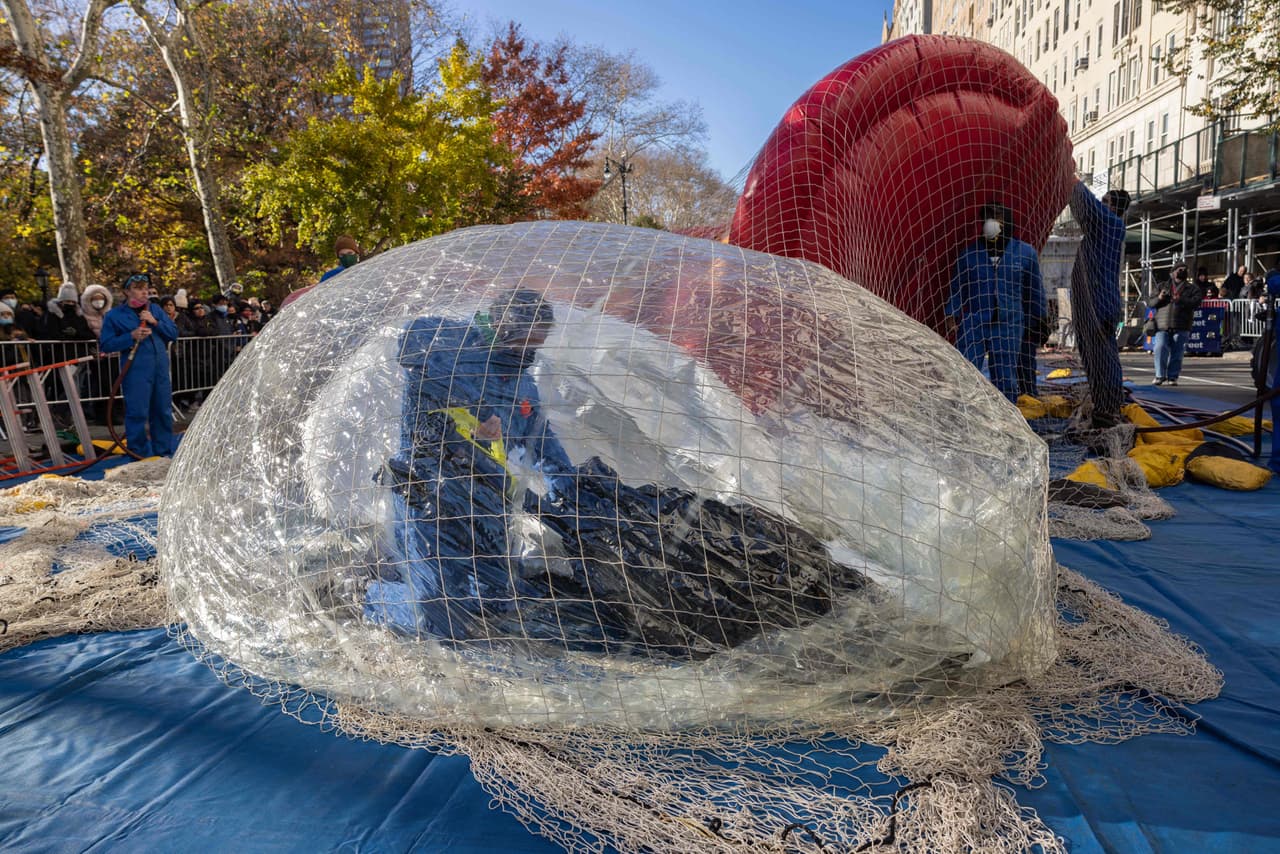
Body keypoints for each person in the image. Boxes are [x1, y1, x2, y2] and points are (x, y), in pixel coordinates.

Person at [365, 288, 866, 657]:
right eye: (524, 339)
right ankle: (392, 621)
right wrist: (471, 396)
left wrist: (573, 493)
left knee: (498, 597)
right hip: (430, 497)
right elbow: (409, 345)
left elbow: (540, 442)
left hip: (487, 503)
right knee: (441, 602)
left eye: (539, 341)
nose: (532, 349)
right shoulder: (448, 340)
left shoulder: (520, 379)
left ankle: (479, 656)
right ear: (501, 325)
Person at [945, 202, 1045, 401]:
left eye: (998, 216)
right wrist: (951, 315)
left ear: (1007, 221)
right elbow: (957, 288)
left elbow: (1034, 290)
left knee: (1006, 379)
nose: (992, 222)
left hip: (1009, 324)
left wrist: (1040, 320)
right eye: (989, 216)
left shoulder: (1025, 254)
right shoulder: (969, 255)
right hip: (974, 322)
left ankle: (1006, 422)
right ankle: (967, 416)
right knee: (965, 373)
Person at [1068, 184, 1130, 427]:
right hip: (1090, 304)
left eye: (1106, 201)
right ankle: (1102, 404)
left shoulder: (1111, 225)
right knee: (1092, 358)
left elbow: (1088, 205)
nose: (1102, 204)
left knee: (1104, 357)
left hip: (1100, 303)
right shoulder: (1098, 231)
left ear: (1113, 208)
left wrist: (1072, 180)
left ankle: (1110, 406)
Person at [98, 273, 179, 457]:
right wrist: (130, 336)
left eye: (145, 288)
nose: (144, 292)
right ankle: (137, 454)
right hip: (135, 370)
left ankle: (163, 453)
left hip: (160, 370)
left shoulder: (156, 310)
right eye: (138, 288)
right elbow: (106, 344)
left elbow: (173, 333)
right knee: (137, 413)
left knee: (162, 412)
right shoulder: (114, 315)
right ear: (126, 292)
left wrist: (155, 322)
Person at [1150, 265, 1203, 386]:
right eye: (1179, 269)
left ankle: (1172, 377)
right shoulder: (1162, 286)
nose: (1182, 271)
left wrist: (1181, 299)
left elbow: (1197, 302)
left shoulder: (1192, 288)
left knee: (1177, 352)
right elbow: (1150, 303)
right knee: (1160, 347)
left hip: (1182, 324)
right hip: (1162, 324)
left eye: (1185, 269)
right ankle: (1159, 376)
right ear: (1172, 273)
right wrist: (1159, 298)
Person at [280, 235, 361, 310]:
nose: (346, 257)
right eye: (342, 255)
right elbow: (321, 299)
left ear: (356, 253)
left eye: (350, 253)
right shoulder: (331, 275)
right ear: (338, 257)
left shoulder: (365, 272)